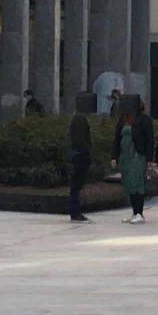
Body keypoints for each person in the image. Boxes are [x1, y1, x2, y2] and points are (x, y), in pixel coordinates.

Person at [110, 95, 153, 225]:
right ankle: (134, 212)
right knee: (129, 183)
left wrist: (150, 159)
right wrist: (114, 156)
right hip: (125, 157)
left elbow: (149, 140)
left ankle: (139, 212)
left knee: (137, 183)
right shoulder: (123, 120)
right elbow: (116, 139)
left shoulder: (144, 119)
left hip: (137, 156)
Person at [68, 93, 94, 223]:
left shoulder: (78, 117)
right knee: (76, 185)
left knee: (76, 186)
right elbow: (80, 139)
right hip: (80, 156)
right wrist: (85, 152)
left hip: (78, 154)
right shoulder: (79, 119)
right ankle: (75, 212)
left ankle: (75, 211)